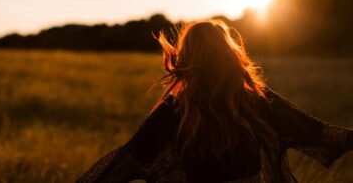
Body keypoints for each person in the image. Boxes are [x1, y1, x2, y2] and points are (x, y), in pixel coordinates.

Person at [75, 19, 353, 183]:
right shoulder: (256, 101)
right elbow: (320, 134)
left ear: (186, 59)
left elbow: (122, 163)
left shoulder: (174, 112)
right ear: (228, 55)